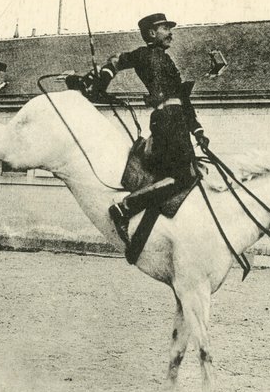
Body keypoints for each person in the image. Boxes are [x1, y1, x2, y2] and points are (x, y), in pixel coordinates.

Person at [89, 13, 211, 244]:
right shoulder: (142, 55)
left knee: (187, 176)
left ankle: (151, 236)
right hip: (166, 123)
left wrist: (198, 131)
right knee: (183, 177)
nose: (170, 33)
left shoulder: (168, 61)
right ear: (152, 33)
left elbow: (183, 99)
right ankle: (125, 209)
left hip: (176, 122)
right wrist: (100, 83)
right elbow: (115, 62)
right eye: (165, 28)